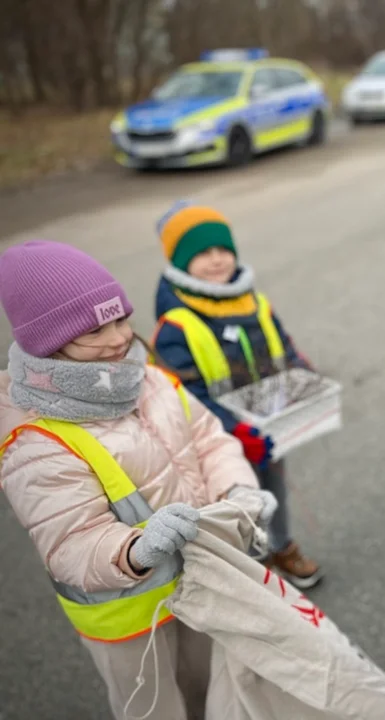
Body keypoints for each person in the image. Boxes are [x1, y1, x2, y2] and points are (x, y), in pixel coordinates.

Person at [0, 240, 277, 720]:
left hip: (198, 583)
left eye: (120, 318)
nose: (116, 338)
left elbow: (210, 441)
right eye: (92, 330)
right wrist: (135, 550)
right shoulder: (33, 439)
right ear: (47, 342)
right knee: (153, 710)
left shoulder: (149, 378)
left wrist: (238, 488)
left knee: (209, 689)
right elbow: (68, 541)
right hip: (129, 622)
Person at [150, 200, 324, 589]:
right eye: (202, 253)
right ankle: (249, 568)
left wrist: (303, 376)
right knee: (235, 505)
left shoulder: (257, 304)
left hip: (270, 427)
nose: (216, 260)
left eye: (223, 250)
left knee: (274, 492)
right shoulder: (176, 325)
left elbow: (285, 351)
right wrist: (234, 429)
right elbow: (183, 394)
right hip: (220, 442)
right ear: (180, 263)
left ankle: (280, 546)